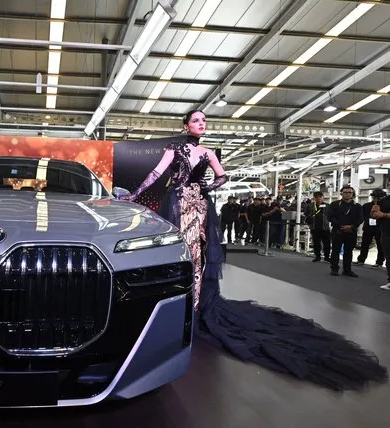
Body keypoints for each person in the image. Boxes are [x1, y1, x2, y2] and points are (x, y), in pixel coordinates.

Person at [119, 109, 387, 391]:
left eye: (204, 121)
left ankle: (192, 309)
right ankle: (176, 305)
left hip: (198, 207)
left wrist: (207, 185)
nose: (201, 125)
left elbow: (223, 177)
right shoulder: (174, 148)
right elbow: (157, 173)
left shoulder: (209, 153)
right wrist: (137, 194)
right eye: (196, 121)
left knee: (198, 256)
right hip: (176, 204)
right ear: (185, 124)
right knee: (178, 252)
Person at [327, 186, 363, 277]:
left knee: (348, 251)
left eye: (349, 192)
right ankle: (334, 269)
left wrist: (352, 226)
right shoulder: (334, 204)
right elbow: (330, 217)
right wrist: (341, 226)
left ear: (352, 194)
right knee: (335, 250)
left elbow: (360, 219)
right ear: (341, 193)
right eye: (345, 192)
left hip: (351, 231)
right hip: (338, 230)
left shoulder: (357, 206)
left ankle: (347, 270)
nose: (347, 194)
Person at [356, 188, 385, 267]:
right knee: (365, 244)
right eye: (375, 197)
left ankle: (379, 262)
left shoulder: (385, 206)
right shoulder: (366, 206)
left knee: (380, 246)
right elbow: (363, 216)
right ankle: (361, 260)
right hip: (368, 228)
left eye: (379, 197)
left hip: (380, 228)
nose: (377, 199)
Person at [371, 186, 390, 290]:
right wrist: (374, 212)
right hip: (386, 232)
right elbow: (375, 215)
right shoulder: (383, 201)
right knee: (389, 257)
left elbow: (383, 215)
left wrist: (384, 214)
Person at [304, 191, 331, 262]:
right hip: (314, 227)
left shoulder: (328, 206)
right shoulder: (310, 206)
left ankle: (327, 257)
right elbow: (306, 214)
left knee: (327, 243)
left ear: (323, 197)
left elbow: (331, 215)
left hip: (325, 227)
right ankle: (317, 256)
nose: (318, 199)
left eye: (320, 197)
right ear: (314, 198)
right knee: (316, 243)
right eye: (316, 197)